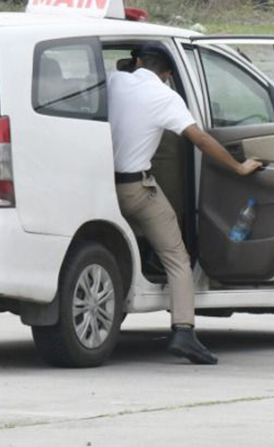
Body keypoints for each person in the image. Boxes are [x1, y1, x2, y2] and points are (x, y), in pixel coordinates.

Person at [107, 42, 261, 365]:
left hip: (103, 186)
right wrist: (238, 167)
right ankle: (184, 332)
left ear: (137, 62)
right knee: (177, 257)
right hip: (136, 189)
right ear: (166, 74)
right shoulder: (165, 96)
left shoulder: (113, 81)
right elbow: (200, 139)